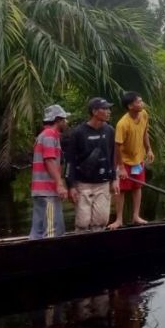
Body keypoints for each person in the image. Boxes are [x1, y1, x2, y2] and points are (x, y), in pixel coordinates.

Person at [65, 97, 119, 231]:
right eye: (105, 109)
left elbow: (114, 156)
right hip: (83, 183)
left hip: (103, 182)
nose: (108, 112)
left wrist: (115, 178)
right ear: (94, 112)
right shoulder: (78, 133)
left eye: (109, 109)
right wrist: (71, 186)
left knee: (101, 221)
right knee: (83, 222)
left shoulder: (110, 130)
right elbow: (69, 161)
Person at [108, 92, 154, 229]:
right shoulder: (123, 123)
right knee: (121, 190)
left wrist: (149, 149)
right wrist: (121, 167)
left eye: (141, 101)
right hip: (124, 161)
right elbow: (117, 146)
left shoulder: (144, 114)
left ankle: (136, 216)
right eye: (138, 102)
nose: (142, 103)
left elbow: (145, 132)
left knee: (137, 187)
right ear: (130, 106)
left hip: (138, 160)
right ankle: (119, 219)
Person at [29, 104, 69, 239]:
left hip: (40, 191)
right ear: (58, 120)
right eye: (64, 119)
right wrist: (59, 184)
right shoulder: (50, 135)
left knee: (38, 231)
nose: (66, 122)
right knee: (52, 231)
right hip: (48, 191)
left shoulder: (43, 135)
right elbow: (49, 160)